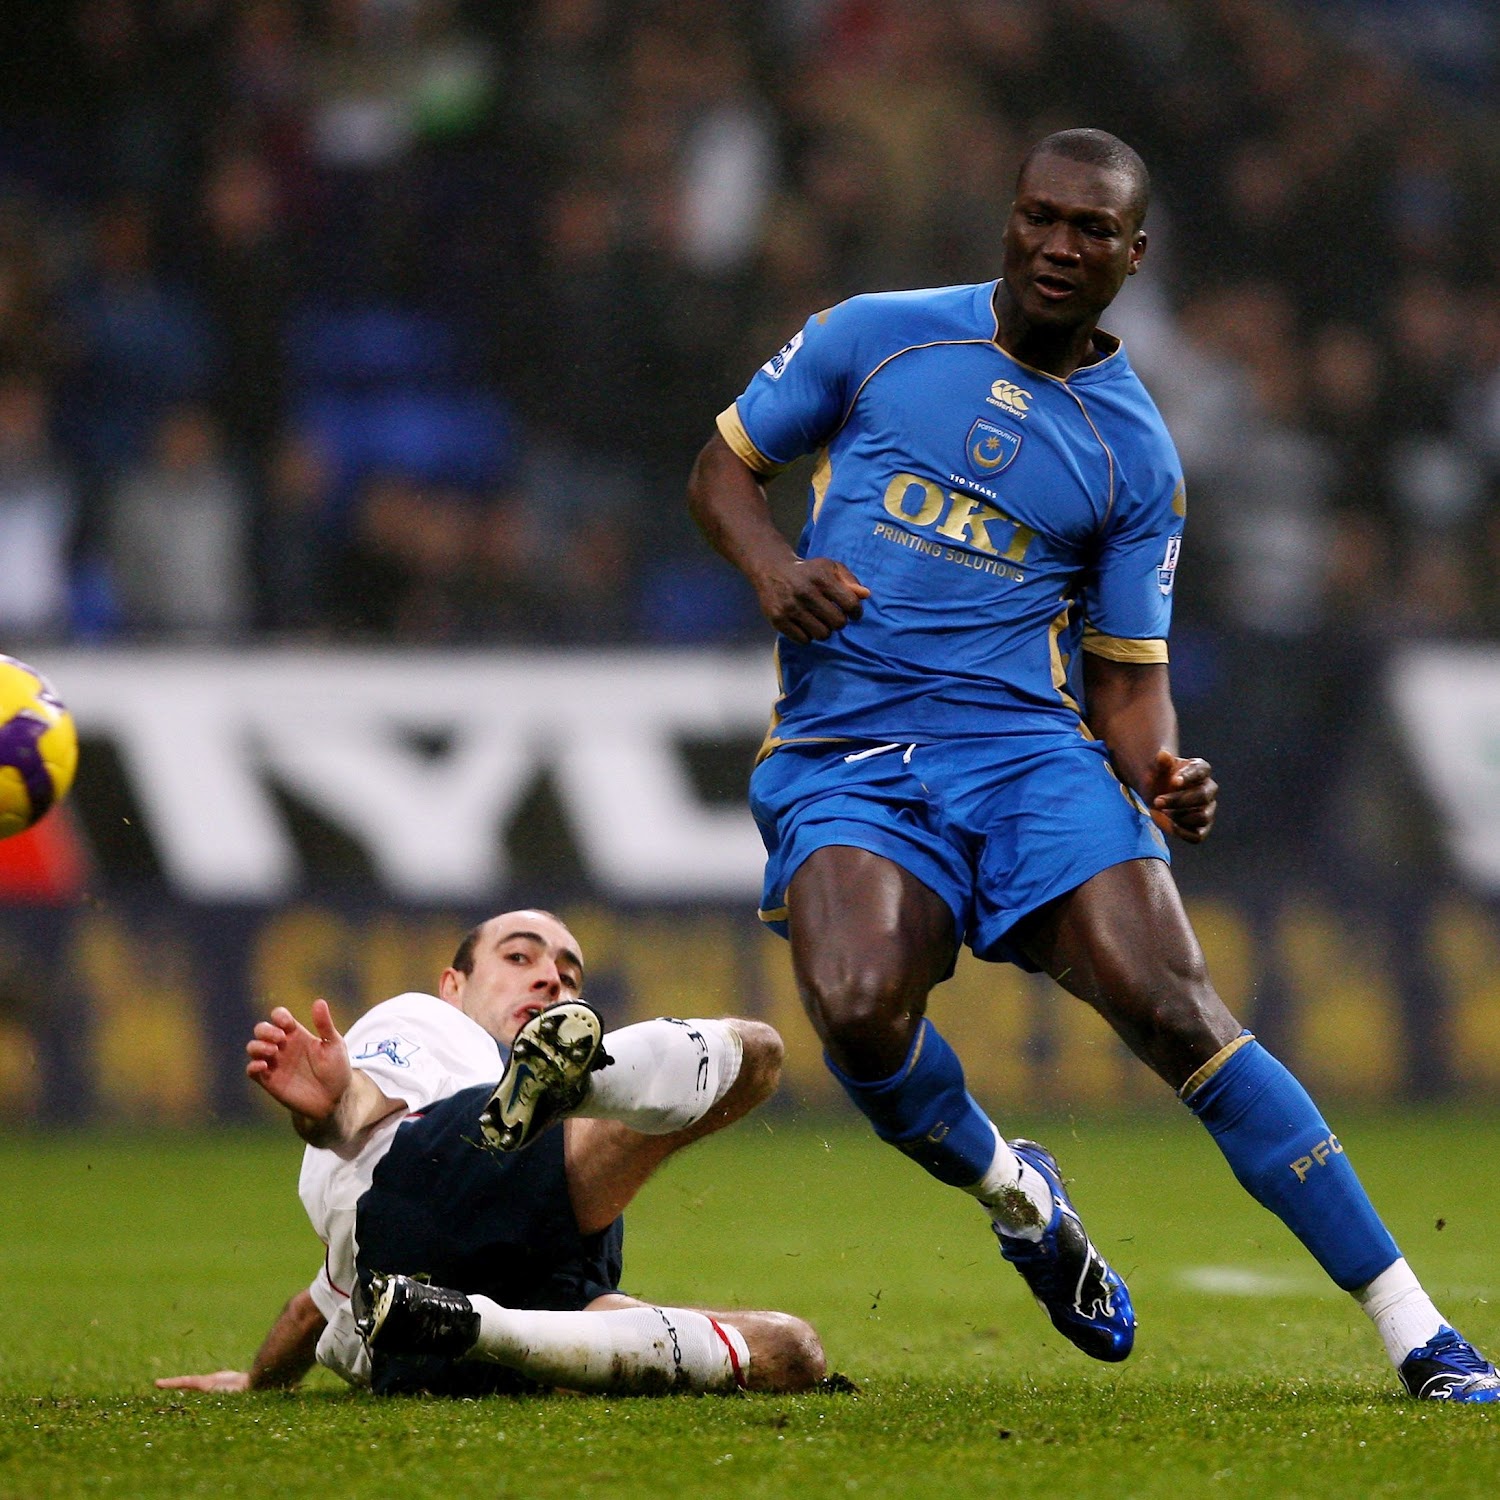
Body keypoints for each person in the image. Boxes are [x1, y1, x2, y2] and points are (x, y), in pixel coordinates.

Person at [685, 127, 1499, 1402]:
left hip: (1024, 758)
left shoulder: (1137, 455)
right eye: (1040, 218)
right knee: (854, 1008)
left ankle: (1417, 1327)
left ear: (1134, 253)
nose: (1059, 246)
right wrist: (773, 569)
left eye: (1090, 230)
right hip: (850, 753)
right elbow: (723, 470)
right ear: (1008, 220)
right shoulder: (874, 335)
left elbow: (1125, 676)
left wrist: (1164, 767)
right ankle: (1019, 1195)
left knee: (1180, 1012)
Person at [157, 908, 825, 1397]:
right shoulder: (424, 1020)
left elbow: (312, 1308)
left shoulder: (374, 1263)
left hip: (427, 1324)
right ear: (453, 984)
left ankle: (478, 1328)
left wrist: (257, 1383)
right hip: (443, 1170)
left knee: (791, 1352)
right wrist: (333, 1106)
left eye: (569, 975)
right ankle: (577, 1084)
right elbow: (360, 1110)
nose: (550, 980)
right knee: (759, 1051)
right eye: (519, 958)